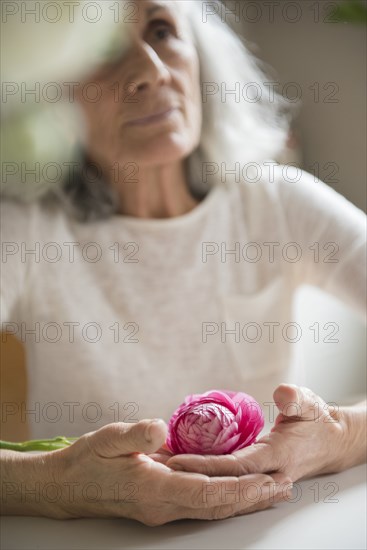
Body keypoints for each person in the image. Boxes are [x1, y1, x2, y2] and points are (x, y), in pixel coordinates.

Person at [1, 0, 366, 526]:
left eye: (161, 29)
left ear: (200, 53)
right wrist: (61, 482)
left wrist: (340, 437)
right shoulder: (26, 228)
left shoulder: (276, 202)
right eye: (103, 50)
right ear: (45, 94)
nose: (150, 71)